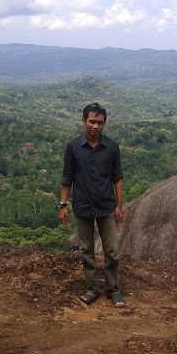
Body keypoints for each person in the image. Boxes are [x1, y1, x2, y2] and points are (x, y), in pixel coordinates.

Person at [58, 103, 125, 307]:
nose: (96, 126)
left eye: (100, 123)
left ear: (104, 124)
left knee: (112, 250)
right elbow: (67, 178)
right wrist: (62, 205)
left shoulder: (111, 147)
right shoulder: (73, 147)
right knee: (86, 250)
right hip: (82, 206)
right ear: (83, 121)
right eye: (92, 122)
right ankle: (92, 289)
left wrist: (119, 206)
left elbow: (117, 178)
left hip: (106, 205)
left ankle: (113, 289)